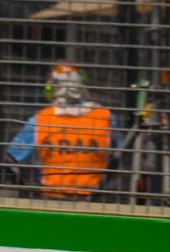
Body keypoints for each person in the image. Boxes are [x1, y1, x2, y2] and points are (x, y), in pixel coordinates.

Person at [6, 62, 121, 198]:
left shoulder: (41, 118)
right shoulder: (105, 116)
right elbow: (119, 153)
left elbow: (12, 157)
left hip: (50, 196)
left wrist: (24, 184)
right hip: (95, 196)